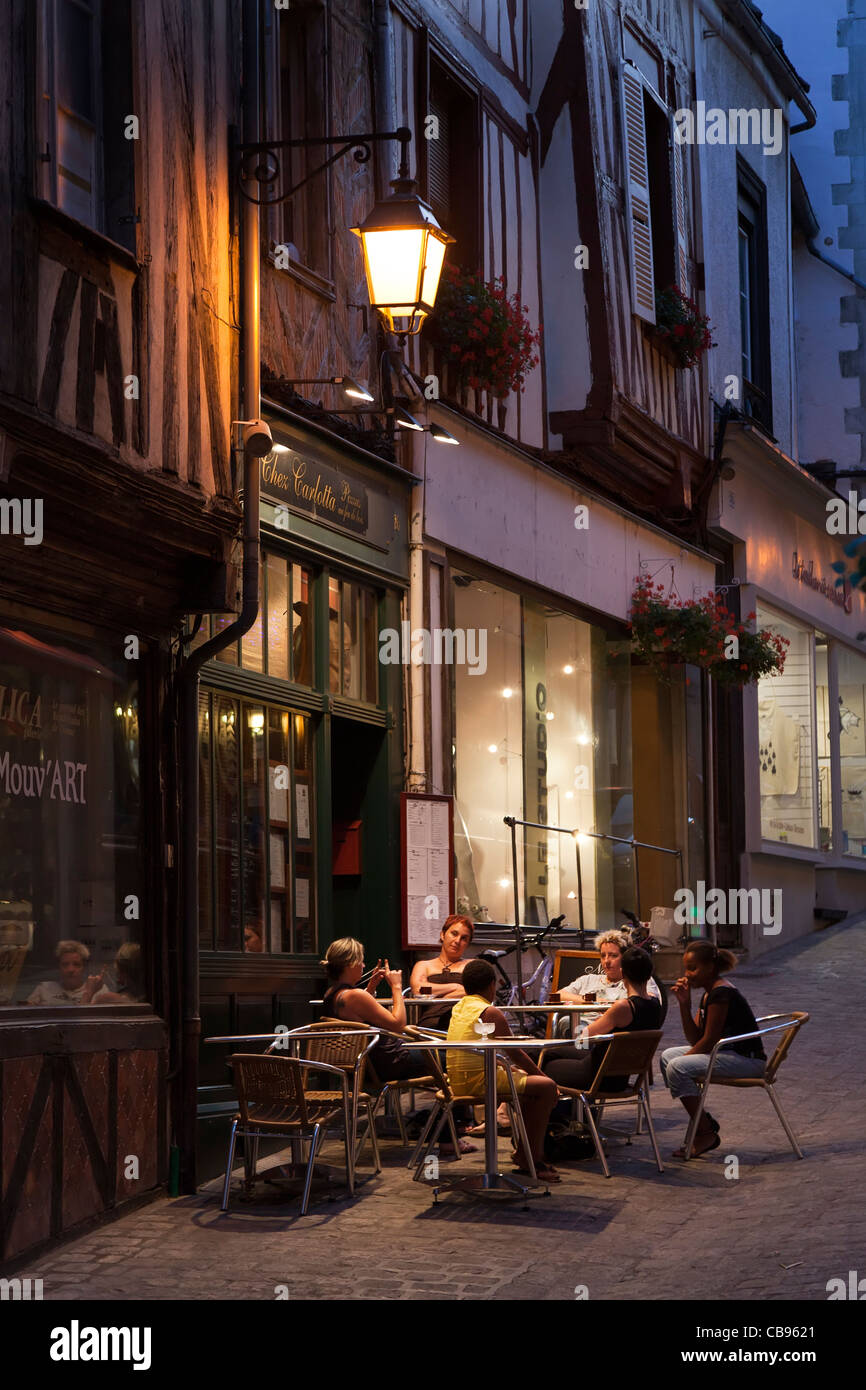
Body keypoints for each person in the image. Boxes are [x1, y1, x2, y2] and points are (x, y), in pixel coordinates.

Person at [447, 958, 560, 1183]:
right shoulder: (489, 1012)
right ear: (491, 985)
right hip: (479, 1081)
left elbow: (477, 1049)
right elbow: (515, 1052)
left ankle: (524, 1151)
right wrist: (545, 1077)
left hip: (456, 1080)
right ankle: (532, 1158)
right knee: (546, 1088)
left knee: (530, 1087)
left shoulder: (459, 1007)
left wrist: (510, 1068)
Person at [661, 939, 766, 1159]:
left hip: (746, 1060)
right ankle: (704, 1123)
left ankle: (706, 1132)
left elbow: (708, 1041)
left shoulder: (721, 994)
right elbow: (695, 1038)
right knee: (667, 1057)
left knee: (676, 1067)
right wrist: (684, 1005)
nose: (688, 974)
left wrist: (681, 1064)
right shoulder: (709, 994)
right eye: (686, 968)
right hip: (725, 1054)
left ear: (710, 967)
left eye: (693, 968)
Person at [541, 946, 662, 1092]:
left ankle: (564, 1112)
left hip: (597, 1075)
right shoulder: (655, 1005)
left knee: (542, 1063)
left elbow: (583, 1037)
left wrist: (599, 1017)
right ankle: (573, 1113)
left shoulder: (623, 1007)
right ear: (649, 974)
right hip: (620, 1075)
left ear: (623, 973)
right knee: (545, 1052)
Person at [320, 938, 432, 1083]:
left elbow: (356, 1012)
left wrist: (370, 990)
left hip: (364, 1066)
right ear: (351, 964)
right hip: (391, 1062)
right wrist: (396, 987)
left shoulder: (331, 994)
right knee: (448, 1056)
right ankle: (454, 1104)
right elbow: (398, 1025)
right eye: (361, 961)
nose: (364, 965)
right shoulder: (354, 996)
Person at [560, 928, 662, 1008]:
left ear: (625, 957)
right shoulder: (587, 980)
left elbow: (649, 1003)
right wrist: (595, 1002)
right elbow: (559, 995)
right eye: (603, 956)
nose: (606, 961)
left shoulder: (637, 980)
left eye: (613, 956)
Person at [27, 940, 91, 1005]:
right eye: (65, 964)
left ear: (84, 968)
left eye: (76, 964)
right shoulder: (43, 988)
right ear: (59, 967)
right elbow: (26, 1012)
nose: (70, 970)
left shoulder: (92, 991)